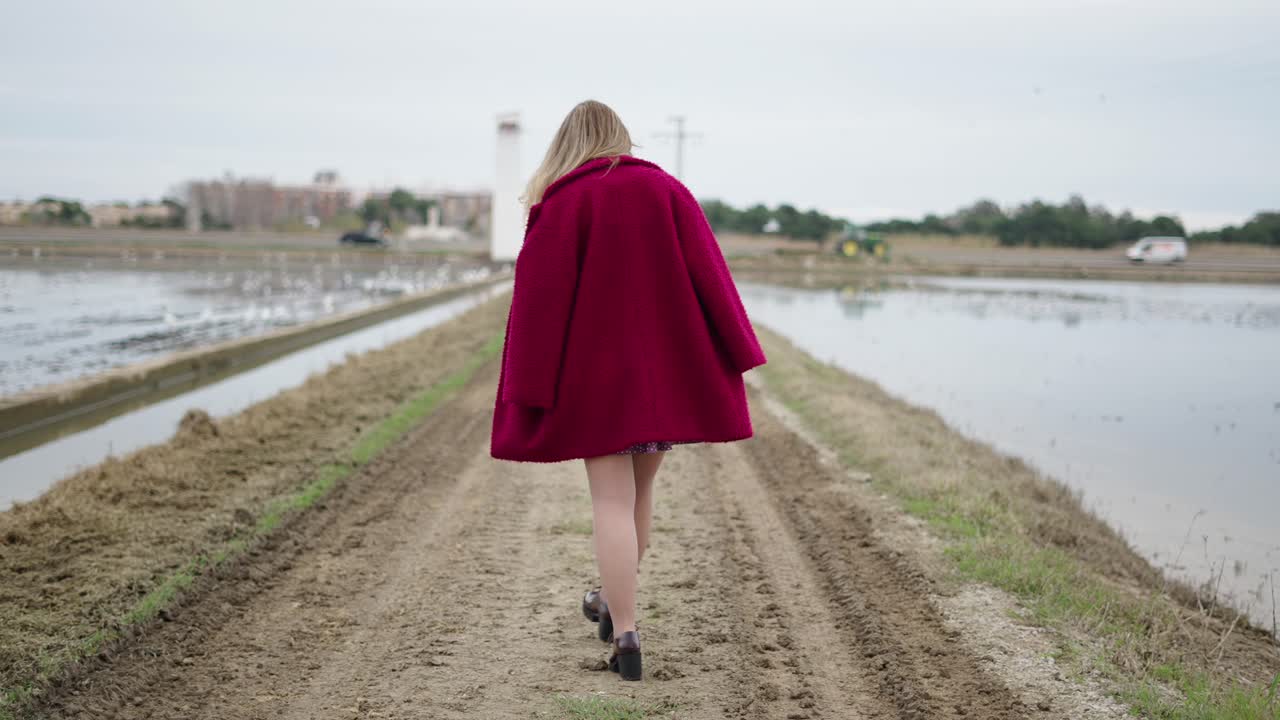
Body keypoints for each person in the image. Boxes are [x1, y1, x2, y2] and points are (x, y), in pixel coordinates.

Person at [490, 100, 766, 681]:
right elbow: (712, 278)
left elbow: (538, 305)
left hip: (596, 384)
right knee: (639, 500)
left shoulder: (563, 202)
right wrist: (738, 351)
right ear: (622, 138)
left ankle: (627, 631)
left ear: (567, 144)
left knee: (610, 503)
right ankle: (613, 608)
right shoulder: (668, 192)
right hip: (665, 382)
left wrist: (529, 386)